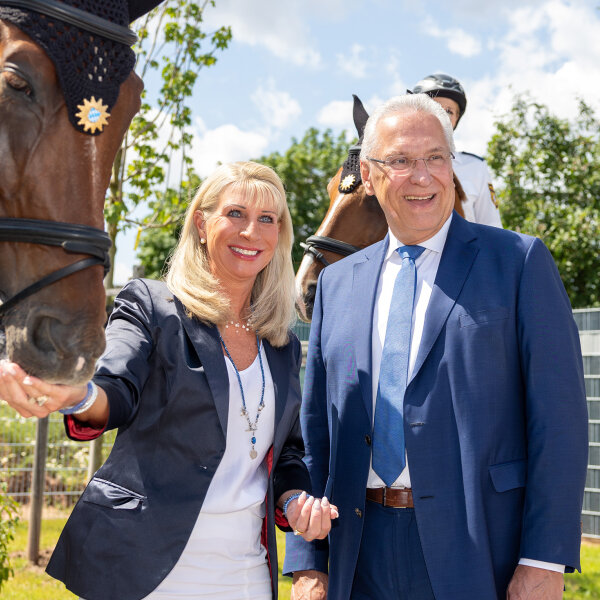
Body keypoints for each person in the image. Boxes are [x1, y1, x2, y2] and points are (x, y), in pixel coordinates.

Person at [284, 94, 588, 599]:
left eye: (435, 158)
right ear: (368, 171)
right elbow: (318, 431)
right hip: (357, 551)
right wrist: (309, 561)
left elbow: (559, 422)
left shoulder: (518, 263)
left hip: (481, 549)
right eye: (401, 160)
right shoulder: (337, 285)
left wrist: (543, 559)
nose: (421, 176)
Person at [0, 161, 337, 600]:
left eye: (267, 219)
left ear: (280, 235)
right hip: (147, 570)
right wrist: (78, 396)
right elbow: (116, 388)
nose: (251, 232)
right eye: (235, 214)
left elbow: (287, 451)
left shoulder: (282, 344)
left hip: (247, 574)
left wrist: (294, 500)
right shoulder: (153, 307)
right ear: (201, 223)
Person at [411, 72, 503, 228]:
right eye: (433, 108)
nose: (441, 116)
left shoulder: (476, 167)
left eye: (449, 111)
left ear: (455, 120)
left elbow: (491, 226)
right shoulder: (394, 163)